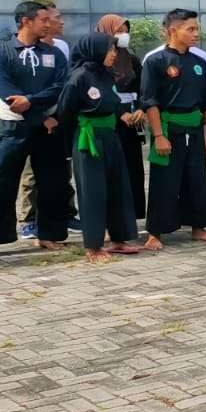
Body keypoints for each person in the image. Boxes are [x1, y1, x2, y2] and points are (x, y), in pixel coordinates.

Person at [0, 1, 71, 249]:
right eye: (44, 20)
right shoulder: (1, 52)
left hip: (49, 129)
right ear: (26, 21)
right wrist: (41, 116)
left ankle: (49, 234)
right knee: (3, 182)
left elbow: (59, 88)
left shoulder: (53, 53)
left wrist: (32, 101)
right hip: (15, 128)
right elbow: (7, 93)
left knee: (53, 182)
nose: (49, 24)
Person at [55, 31, 142, 261]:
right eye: (110, 49)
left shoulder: (106, 75)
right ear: (95, 50)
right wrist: (80, 130)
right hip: (88, 138)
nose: (114, 54)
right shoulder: (79, 77)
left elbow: (111, 102)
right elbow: (65, 111)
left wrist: (123, 115)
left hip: (111, 136)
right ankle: (93, 245)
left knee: (118, 186)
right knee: (93, 191)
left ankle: (119, 238)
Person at [140, 8, 206, 250]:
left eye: (197, 28)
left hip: (194, 130)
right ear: (173, 31)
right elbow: (149, 101)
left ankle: (198, 227)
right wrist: (158, 135)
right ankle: (155, 231)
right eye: (191, 29)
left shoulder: (198, 62)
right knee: (163, 181)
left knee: (197, 179)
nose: (196, 34)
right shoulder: (155, 61)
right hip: (167, 130)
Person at [16, 3, 75, 239]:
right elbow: (15, 92)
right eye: (50, 18)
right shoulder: (14, 51)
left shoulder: (59, 49)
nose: (56, 22)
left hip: (54, 119)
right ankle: (27, 219)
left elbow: (61, 85)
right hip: (27, 120)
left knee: (58, 174)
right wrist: (40, 116)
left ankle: (60, 220)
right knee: (28, 174)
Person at [96, 15, 146, 221]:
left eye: (126, 31)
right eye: (118, 31)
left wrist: (142, 109)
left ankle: (132, 217)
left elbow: (144, 88)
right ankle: (111, 220)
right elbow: (96, 92)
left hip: (132, 125)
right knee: (110, 173)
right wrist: (119, 112)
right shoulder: (97, 61)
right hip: (108, 124)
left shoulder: (131, 59)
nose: (123, 35)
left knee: (133, 170)